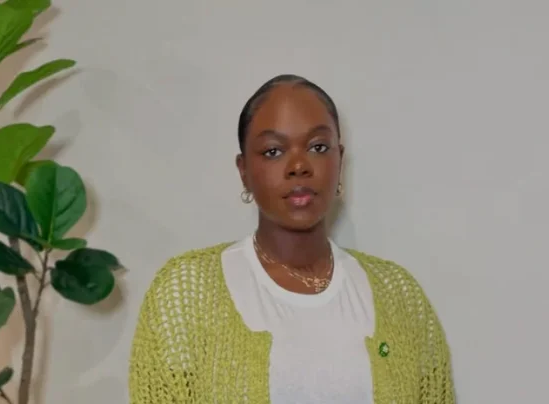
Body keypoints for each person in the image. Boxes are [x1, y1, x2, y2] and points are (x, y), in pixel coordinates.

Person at [128, 74, 455, 403]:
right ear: (244, 171)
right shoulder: (186, 293)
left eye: (318, 147)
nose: (299, 166)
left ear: (339, 161)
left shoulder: (399, 296)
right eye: (273, 151)